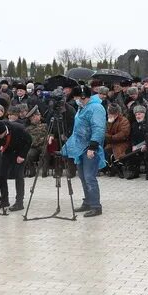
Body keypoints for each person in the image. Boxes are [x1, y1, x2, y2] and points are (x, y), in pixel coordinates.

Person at [61, 85, 106, 217]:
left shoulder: (96, 108)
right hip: (80, 148)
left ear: (83, 97)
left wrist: (93, 147)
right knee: (82, 177)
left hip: (90, 148)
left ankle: (96, 206)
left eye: (76, 98)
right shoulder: (82, 107)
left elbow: (98, 128)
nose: (75, 100)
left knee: (89, 177)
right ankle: (87, 202)